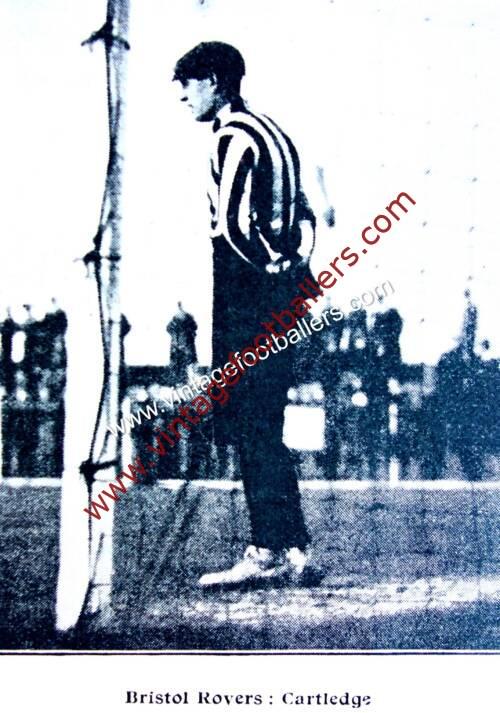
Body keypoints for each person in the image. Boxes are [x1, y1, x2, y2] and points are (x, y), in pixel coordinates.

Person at [173, 41, 317, 587]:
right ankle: (292, 547)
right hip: (288, 293)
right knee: (267, 424)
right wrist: (293, 265)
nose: (183, 96)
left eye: (188, 83)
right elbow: (305, 216)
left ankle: (265, 549)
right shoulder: (277, 133)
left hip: (247, 294)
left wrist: (269, 267)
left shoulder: (232, 137)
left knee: (249, 423)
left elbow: (232, 227)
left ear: (214, 80)